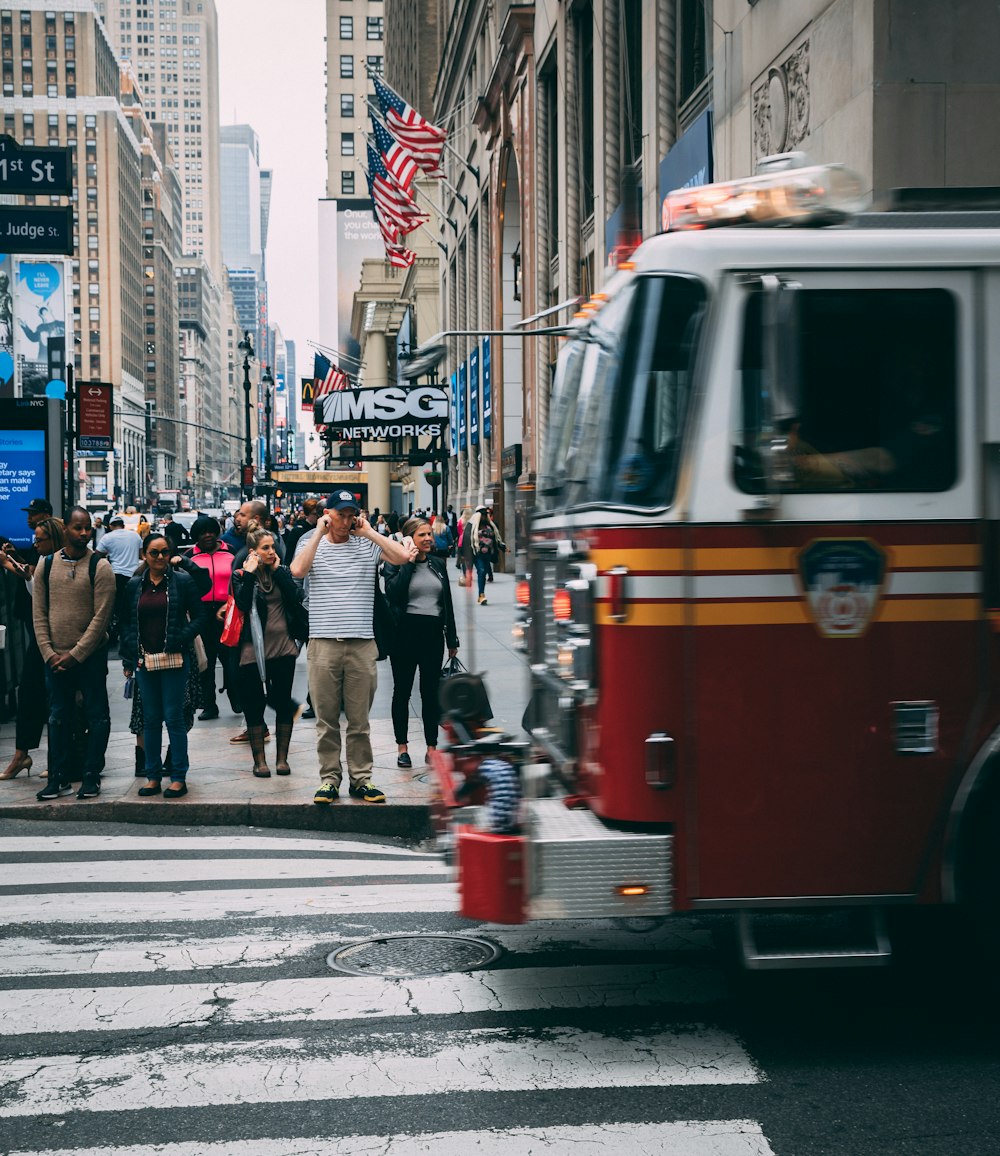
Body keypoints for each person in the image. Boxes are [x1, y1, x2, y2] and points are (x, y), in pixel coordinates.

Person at [290, 490, 417, 805]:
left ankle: (361, 779)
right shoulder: (310, 542)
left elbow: (402, 557)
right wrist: (319, 531)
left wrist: (371, 531)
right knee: (326, 720)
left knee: (359, 720)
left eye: (351, 514)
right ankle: (329, 780)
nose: (346, 520)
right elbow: (297, 571)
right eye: (340, 514)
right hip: (322, 644)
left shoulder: (367, 543)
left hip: (361, 643)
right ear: (328, 514)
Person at [32, 508, 116, 801]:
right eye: (77, 528)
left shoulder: (100, 566)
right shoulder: (46, 565)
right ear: (65, 528)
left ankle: (91, 776)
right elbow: (39, 613)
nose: (83, 533)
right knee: (58, 718)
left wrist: (76, 654)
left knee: (97, 717)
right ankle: (59, 777)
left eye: (87, 529)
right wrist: (48, 653)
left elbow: (101, 618)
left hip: (90, 657)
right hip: (54, 658)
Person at [120, 534, 210, 799]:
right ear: (144, 555)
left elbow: (201, 616)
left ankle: (178, 777)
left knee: (173, 718)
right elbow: (125, 621)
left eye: (164, 552)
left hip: (174, 659)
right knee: (150, 720)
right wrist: (129, 650)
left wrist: (182, 637)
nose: (159, 558)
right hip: (144, 661)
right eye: (153, 553)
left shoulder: (181, 581)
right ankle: (152, 776)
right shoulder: (135, 585)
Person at [231, 521, 307, 777]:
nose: (272, 551)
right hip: (252, 651)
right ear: (253, 552)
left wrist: (279, 571)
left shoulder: (281, 572)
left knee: (283, 702)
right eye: (265, 548)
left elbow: (297, 597)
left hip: (283, 648)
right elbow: (241, 604)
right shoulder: (241, 575)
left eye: (273, 547)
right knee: (254, 705)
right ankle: (259, 761)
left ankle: (282, 760)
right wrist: (252, 572)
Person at [383, 517, 459, 768]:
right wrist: (408, 561)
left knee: (430, 693)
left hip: (433, 635)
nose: (428, 538)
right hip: (403, 635)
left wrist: (452, 638)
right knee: (402, 691)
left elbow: (446, 602)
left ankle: (431, 747)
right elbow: (394, 593)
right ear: (409, 539)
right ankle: (402, 748)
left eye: (429, 534)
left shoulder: (438, 564)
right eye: (421, 535)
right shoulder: (395, 563)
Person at [0, 517, 65, 780]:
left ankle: (55, 757)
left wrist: (8, 564)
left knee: (56, 701)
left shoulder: (59, 564)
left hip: (58, 641)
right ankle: (21, 755)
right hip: (39, 640)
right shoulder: (42, 563)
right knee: (30, 695)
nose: (35, 544)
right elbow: (33, 580)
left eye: (40, 539)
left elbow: (40, 586)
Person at [188, 515, 239, 723]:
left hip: (227, 611)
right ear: (196, 536)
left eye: (210, 531)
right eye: (202, 532)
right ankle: (209, 705)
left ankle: (236, 697)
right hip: (202, 613)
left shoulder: (231, 552)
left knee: (231, 659)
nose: (207, 535)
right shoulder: (190, 556)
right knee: (205, 662)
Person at [96, 516, 143, 643]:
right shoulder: (135, 536)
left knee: (116, 605)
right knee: (132, 604)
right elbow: (141, 555)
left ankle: (117, 630)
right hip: (134, 575)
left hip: (116, 575)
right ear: (123, 525)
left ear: (111, 526)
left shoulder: (107, 537)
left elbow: (97, 555)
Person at [462, 506, 494, 605]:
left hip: (486, 553)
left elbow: (494, 537)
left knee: (483, 573)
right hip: (476, 553)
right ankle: (481, 595)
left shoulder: (489, 526)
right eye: (483, 515)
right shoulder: (471, 526)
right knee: (481, 570)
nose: (484, 517)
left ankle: (481, 594)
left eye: (485, 515)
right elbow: (465, 540)